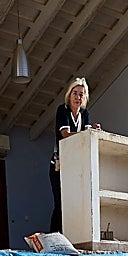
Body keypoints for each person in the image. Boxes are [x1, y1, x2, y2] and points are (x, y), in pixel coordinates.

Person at [50, 77, 100, 233]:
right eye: (75, 93)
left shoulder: (85, 113)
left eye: (81, 94)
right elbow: (65, 134)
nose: (78, 97)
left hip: (75, 167)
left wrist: (92, 130)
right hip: (59, 165)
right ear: (69, 95)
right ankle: (54, 237)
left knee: (74, 204)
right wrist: (86, 133)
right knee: (60, 204)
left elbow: (85, 138)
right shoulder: (62, 110)